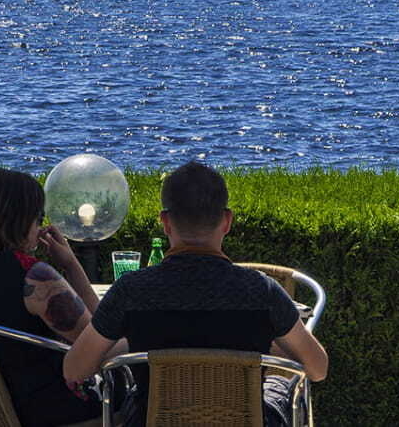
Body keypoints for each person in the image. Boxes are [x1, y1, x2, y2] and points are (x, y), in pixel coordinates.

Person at [64, 162, 328, 427]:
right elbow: (318, 369)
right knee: (281, 387)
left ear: (166, 223)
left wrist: (129, 346)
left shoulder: (132, 291)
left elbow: (74, 369)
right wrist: (268, 348)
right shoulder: (262, 290)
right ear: (226, 221)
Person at [0, 168, 109, 426]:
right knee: (137, 396)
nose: (40, 227)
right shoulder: (34, 278)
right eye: (39, 217)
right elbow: (96, 341)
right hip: (44, 408)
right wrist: (71, 265)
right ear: (20, 220)